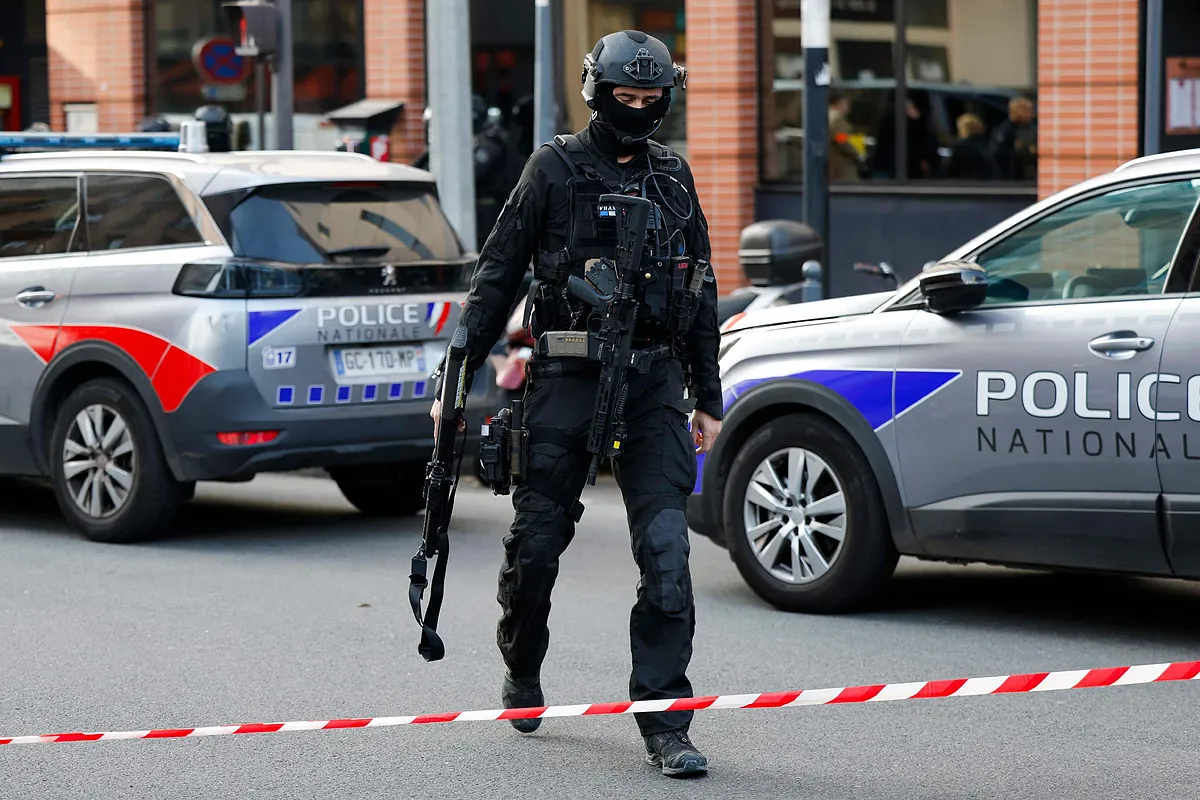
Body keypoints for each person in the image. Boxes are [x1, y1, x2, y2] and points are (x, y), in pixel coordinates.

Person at [429, 29, 723, 778]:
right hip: (566, 380)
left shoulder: (675, 179)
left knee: (666, 557)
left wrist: (707, 398)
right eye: (625, 97)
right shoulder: (552, 170)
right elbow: (495, 277)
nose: (638, 110)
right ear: (597, 92)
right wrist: (455, 382)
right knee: (535, 549)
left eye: (651, 99)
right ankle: (521, 666)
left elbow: (701, 293)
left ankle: (666, 723)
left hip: (653, 384)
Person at [990, 96, 1037, 181]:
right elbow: (998, 153)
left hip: (1029, 176)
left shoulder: (1032, 128)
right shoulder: (1004, 131)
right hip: (1010, 177)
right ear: (1014, 111)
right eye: (1024, 110)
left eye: (1030, 110)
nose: (1029, 114)